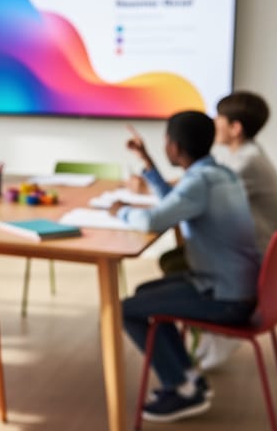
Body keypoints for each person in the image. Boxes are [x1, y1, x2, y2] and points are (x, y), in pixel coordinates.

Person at [109, 111, 261, 423]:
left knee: (125, 308)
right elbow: (175, 202)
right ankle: (189, 379)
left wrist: (121, 212)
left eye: (165, 141)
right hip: (233, 285)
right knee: (145, 294)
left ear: (175, 148)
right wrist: (148, 161)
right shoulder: (216, 174)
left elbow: (153, 219)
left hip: (225, 297)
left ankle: (181, 387)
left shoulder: (200, 182)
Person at [154, 93, 277, 370]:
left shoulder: (245, 163)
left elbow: (196, 191)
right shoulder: (248, 154)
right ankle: (209, 332)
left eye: (220, 119)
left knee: (176, 262)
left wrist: (155, 184)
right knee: (177, 259)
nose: (215, 124)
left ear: (235, 128)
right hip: (260, 247)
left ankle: (216, 328)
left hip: (253, 255)